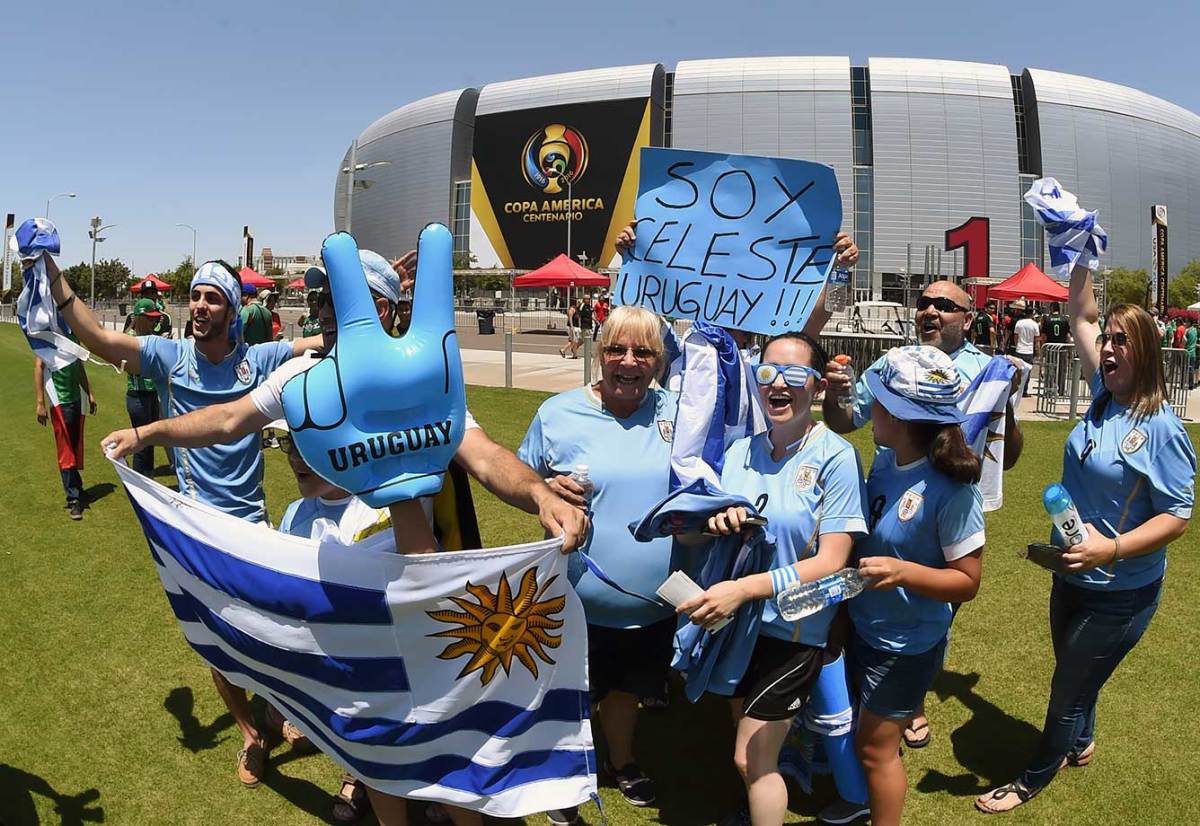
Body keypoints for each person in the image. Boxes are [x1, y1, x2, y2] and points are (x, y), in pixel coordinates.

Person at [41, 252, 322, 786]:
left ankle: (274, 706)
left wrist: (381, 302)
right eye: (194, 295)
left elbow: (318, 346)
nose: (198, 305)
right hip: (192, 527)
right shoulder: (169, 357)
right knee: (214, 642)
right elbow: (100, 340)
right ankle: (251, 734)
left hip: (252, 523)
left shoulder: (258, 360)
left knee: (276, 630)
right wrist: (53, 275)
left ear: (232, 310)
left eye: (211, 297)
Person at [100, 250, 585, 553]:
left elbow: (484, 457)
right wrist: (146, 433)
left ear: (375, 310)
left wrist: (540, 494)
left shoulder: (422, 387)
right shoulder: (302, 375)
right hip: (323, 556)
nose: (317, 311)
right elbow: (228, 419)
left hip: (404, 565)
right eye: (316, 301)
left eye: (328, 300)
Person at [976, 266, 1195, 814]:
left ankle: (1032, 777)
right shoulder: (1104, 393)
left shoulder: (1161, 426)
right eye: (1109, 339)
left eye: (1123, 340)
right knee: (1077, 672)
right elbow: (1081, 313)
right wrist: (1079, 255)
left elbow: (1179, 516)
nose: (1110, 347)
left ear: (1144, 350)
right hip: (1071, 572)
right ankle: (1081, 742)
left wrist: (1112, 549)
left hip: (1121, 590)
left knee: (1068, 689)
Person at [679, 331, 867, 826]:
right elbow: (708, 531)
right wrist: (717, 523)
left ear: (818, 386)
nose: (778, 384)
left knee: (751, 757)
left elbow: (832, 561)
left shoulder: (836, 457)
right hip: (738, 626)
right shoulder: (740, 452)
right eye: (767, 372)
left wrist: (744, 589)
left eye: (794, 374)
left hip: (794, 630)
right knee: (746, 741)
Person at [520, 305, 678, 824]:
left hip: (653, 602)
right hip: (574, 597)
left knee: (627, 691)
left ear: (658, 361)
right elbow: (521, 480)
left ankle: (623, 761)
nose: (628, 361)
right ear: (599, 352)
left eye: (643, 352)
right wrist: (545, 490)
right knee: (570, 694)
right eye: (617, 349)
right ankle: (562, 778)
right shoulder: (558, 412)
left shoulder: (679, 413)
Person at [848, 346, 985, 826]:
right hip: (864, 626)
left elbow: (967, 582)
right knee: (865, 738)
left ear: (899, 415)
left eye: (876, 401)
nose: (869, 409)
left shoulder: (952, 488)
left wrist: (902, 572)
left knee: (874, 750)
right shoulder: (886, 459)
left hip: (906, 643)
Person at [34, 353, 97, 521]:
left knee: (75, 446)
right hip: (60, 402)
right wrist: (40, 403)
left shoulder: (71, 339)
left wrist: (89, 393)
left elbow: (79, 369)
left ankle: (78, 490)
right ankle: (73, 498)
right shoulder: (48, 340)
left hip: (76, 400)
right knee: (66, 450)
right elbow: (38, 368)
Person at [124, 298, 164, 475]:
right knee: (141, 442)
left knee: (151, 440)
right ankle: (140, 484)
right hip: (138, 395)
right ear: (139, 317)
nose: (153, 322)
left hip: (152, 394)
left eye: (155, 319)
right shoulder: (130, 339)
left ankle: (148, 480)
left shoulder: (151, 338)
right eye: (149, 318)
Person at [1013, 305, 1040, 396]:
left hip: (1019, 350)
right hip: (1029, 351)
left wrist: (1017, 345)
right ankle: (1024, 391)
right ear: (1032, 314)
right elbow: (1036, 341)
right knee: (1027, 372)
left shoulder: (1019, 323)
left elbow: (1015, 337)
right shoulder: (1034, 324)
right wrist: (1038, 353)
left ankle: (1016, 389)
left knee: (1018, 371)